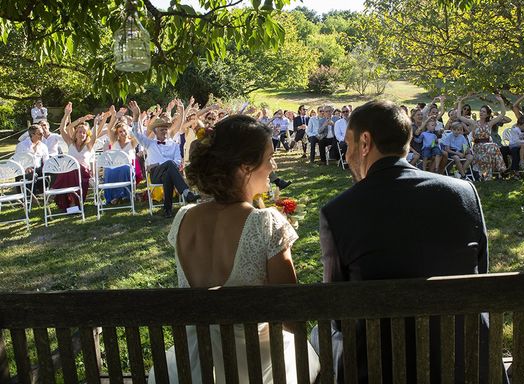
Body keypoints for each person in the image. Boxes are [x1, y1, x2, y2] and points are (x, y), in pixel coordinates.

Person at [317, 100, 496, 383]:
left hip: (380, 369)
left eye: (348, 144)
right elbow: (480, 278)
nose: (348, 153)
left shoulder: (338, 212)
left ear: (365, 142)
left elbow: (339, 314)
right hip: (464, 363)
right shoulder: (463, 193)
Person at [148, 115, 320, 383]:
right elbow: (291, 314)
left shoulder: (184, 218)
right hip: (254, 366)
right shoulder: (266, 222)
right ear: (244, 167)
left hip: (194, 366)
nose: (273, 166)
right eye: (269, 158)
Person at [129, 100, 198, 218]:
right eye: (161, 128)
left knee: (168, 173)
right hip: (155, 174)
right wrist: (136, 116)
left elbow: (177, 161)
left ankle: (167, 210)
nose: (164, 130)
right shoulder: (149, 143)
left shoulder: (174, 145)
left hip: (169, 172)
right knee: (169, 165)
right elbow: (135, 133)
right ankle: (186, 193)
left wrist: (162, 164)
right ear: (155, 131)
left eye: (165, 128)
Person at [54, 103, 102, 211]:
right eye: (80, 132)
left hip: (83, 174)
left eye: (84, 133)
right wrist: (66, 114)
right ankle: (71, 201)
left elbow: (94, 136)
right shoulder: (70, 143)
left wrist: (95, 122)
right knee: (69, 169)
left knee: (76, 168)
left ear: (86, 134)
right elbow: (62, 129)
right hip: (70, 172)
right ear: (75, 134)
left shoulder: (89, 145)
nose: (82, 134)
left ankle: (74, 202)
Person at [457, 95, 508, 179]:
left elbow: (502, 114)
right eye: (480, 111)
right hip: (478, 147)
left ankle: (488, 176)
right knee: (494, 146)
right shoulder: (474, 123)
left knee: (490, 150)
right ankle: (502, 169)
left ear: (488, 114)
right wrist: (459, 102)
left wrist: (501, 101)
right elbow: (459, 116)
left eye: (483, 112)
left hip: (488, 148)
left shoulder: (490, 124)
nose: (481, 113)